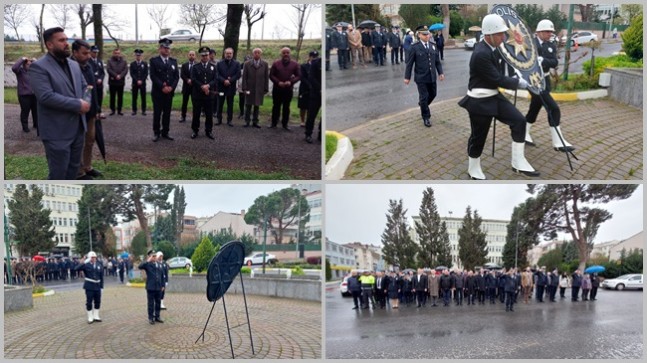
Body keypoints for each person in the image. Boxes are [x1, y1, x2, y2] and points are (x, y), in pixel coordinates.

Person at [458, 14, 540, 180]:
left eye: (503, 33)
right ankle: (473, 167)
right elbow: (497, 79)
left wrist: (518, 70)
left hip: (494, 96)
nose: (504, 36)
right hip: (479, 100)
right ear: (489, 35)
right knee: (478, 136)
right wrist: (519, 83)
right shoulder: (481, 53)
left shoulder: (493, 48)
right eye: (500, 34)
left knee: (518, 121)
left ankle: (518, 161)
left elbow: (504, 69)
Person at [30, 27, 90, 180]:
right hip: (57, 132)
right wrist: (78, 105)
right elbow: (46, 96)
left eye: (66, 39)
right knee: (58, 174)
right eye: (62, 40)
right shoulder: (39, 67)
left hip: (78, 129)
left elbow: (85, 87)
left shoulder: (74, 65)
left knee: (73, 171)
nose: (67, 43)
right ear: (50, 45)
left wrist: (86, 103)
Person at [525, 19, 574, 152]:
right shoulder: (530, 44)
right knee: (553, 108)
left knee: (534, 108)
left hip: (545, 80)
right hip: (534, 81)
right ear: (539, 32)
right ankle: (558, 142)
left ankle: (523, 132)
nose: (549, 34)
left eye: (551, 32)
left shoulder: (550, 45)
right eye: (547, 31)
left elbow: (554, 62)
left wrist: (543, 60)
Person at [71, 39, 102, 180]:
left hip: (90, 113)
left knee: (90, 140)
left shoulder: (88, 66)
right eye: (84, 53)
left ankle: (87, 167)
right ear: (74, 52)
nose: (88, 56)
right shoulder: (69, 67)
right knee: (77, 143)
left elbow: (93, 89)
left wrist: (96, 109)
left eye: (89, 53)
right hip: (77, 113)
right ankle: (78, 172)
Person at [404, 25, 445, 128]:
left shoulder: (433, 45)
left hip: (432, 76)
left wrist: (440, 73)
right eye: (424, 34)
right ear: (419, 35)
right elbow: (409, 64)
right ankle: (426, 117)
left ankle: (423, 104)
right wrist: (407, 77)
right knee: (424, 96)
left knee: (433, 94)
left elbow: (437, 62)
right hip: (421, 77)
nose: (427, 36)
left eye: (428, 34)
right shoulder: (414, 47)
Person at [150, 38, 179, 142]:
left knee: (167, 113)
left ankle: (165, 132)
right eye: (164, 47)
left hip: (169, 93)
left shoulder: (173, 61)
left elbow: (176, 77)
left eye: (168, 48)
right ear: (160, 49)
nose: (167, 49)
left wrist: (171, 87)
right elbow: (153, 76)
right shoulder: (154, 61)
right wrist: (163, 87)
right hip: (158, 93)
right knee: (157, 113)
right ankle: (156, 133)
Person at [269, 47, 300, 131]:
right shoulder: (276, 63)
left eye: (287, 52)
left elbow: (298, 76)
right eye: (284, 53)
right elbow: (271, 75)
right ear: (281, 54)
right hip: (277, 88)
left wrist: (291, 82)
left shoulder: (295, 64)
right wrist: (278, 82)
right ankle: (274, 123)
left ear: (290, 53)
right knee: (276, 106)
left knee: (286, 107)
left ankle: (285, 124)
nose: (286, 54)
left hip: (288, 89)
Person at [190, 46, 217, 140]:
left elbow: (215, 79)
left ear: (209, 56)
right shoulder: (195, 67)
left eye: (206, 55)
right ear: (200, 56)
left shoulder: (213, 67)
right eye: (203, 56)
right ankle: (195, 130)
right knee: (196, 113)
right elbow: (193, 79)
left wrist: (208, 86)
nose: (205, 57)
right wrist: (202, 86)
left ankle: (208, 131)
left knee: (209, 114)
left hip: (209, 95)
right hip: (197, 94)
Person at [242, 48, 269, 129]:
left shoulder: (265, 64)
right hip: (249, 88)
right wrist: (244, 88)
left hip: (259, 88)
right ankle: (247, 121)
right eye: (255, 53)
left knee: (257, 106)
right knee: (248, 105)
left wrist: (266, 88)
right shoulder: (247, 64)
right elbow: (244, 77)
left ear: (260, 54)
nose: (257, 54)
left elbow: (266, 77)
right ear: (252, 54)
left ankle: (255, 121)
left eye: (258, 53)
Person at [74, 251, 104, 323]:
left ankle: (96, 316)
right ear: (89, 258)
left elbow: (101, 277)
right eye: (92, 257)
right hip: (89, 286)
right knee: (89, 302)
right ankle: (90, 317)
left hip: (97, 286)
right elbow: (76, 269)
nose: (94, 259)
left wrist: (102, 287)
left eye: (95, 257)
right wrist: (84, 262)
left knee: (98, 301)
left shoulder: (99, 264)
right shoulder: (86, 265)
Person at [12, 57, 39, 132]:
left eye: (30, 64)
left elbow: (42, 68)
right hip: (24, 96)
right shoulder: (19, 71)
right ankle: (25, 127)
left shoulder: (34, 71)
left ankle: (36, 124)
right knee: (25, 111)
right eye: (27, 64)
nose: (29, 66)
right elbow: (14, 68)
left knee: (36, 111)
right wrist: (22, 59)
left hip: (34, 95)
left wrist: (36, 61)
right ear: (24, 65)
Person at [215, 48, 241, 127]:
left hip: (231, 87)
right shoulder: (219, 63)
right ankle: (219, 119)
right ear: (224, 54)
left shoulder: (237, 63)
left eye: (230, 53)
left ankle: (229, 120)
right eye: (227, 53)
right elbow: (217, 74)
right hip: (221, 87)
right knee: (220, 104)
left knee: (230, 105)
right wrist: (224, 81)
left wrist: (230, 80)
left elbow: (238, 74)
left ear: (232, 54)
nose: (228, 55)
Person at [139, 250, 165, 324]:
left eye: (155, 256)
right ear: (149, 257)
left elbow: (162, 276)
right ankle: (151, 318)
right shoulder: (147, 264)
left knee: (158, 302)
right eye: (152, 256)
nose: (154, 257)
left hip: (158, 287)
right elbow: (140, 266)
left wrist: (163, 285)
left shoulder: (159, 264)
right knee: (151, 304)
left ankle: (157, 316)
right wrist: (148, 260)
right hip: (151, 287)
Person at [305, 52, 321, 144]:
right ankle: (308, 134)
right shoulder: (315, 63)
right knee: (311, 115)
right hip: (316, 93)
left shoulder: (323, 62)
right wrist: (320, 88)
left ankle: (320, 135)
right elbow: (311, 77)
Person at [106, 48, 127, 116]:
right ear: (113, 53)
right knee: (112, 97)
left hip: (121, 81)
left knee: (120, 97)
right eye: (116, 53)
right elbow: (109, 69)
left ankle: (119, 110)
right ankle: (112, 110)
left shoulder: (124, 61)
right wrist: (115, 76)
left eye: (118, 53)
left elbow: (125, 70)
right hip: (112, 82)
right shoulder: (109, 61)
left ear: (120, 54)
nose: (117, 54)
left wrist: (120, 76)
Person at [129, 49, 148, 116]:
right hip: (135, 83)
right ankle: (134, 110)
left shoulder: (145, 64)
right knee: (134, 97)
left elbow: (146, 73)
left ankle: (144, 110)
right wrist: (137, 80)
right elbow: (132, 73)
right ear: (135, 56)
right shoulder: (132, 64)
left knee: (143, 97)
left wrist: (141, 80)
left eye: (139, 55)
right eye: (137, 55)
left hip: (143, 83)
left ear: (141, 56)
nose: (138, 57)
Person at [179, 51, 196, 123]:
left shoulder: (197, 65)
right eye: (190, 55)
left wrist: (192, 80)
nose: (191, 56)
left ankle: (195, 117)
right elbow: (182, 75)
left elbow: (198, 75)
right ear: (188, 56)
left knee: (195, 103)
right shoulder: (184, 65)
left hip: (194, 87)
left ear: (195, 56)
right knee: (184, 103)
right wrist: (187, 80)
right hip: (186, 87)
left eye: (193, 55)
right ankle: (183, 116)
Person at [89, 46, 105, 118]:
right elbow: (89, 72)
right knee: (93, 98)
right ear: (91, 52)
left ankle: (99, 111)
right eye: (94, 52)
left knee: (99, 97)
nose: (95, 54)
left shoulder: (99, 61)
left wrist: (101, 79)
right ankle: (94, 111)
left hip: (100, 83)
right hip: (93, 83)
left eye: (97, 52)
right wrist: (96, 79)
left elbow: (102, 72)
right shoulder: (88, 61)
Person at [298, 52, 313, 127]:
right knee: (303, 106)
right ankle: (302, 120)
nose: (314, 58)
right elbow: (302, 77)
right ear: (309, 57)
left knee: (311, 106)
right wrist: (309, 85)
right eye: (312, 56)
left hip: (313, 89)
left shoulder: (318, 66)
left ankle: (308, 120)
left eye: (315, 56)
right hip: (304, 88)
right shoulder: (304, 66)